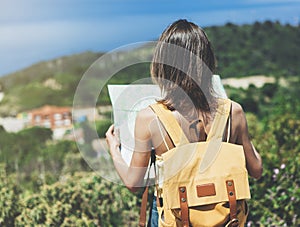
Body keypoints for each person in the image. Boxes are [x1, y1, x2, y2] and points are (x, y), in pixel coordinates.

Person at [106, 19, 263, 226]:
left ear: (163, 64)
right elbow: (257, 170)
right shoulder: (233, 111)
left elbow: (133, 183)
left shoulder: (150, 118)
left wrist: (114, 149)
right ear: (207, 62)